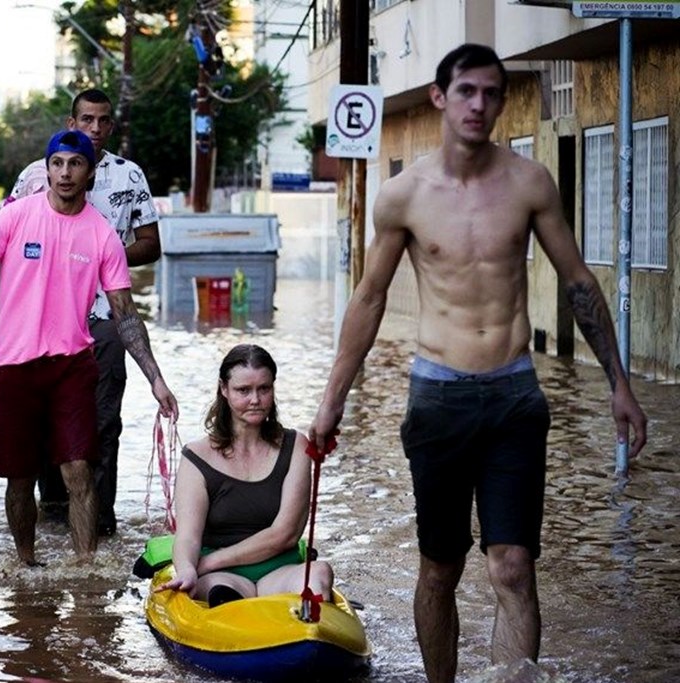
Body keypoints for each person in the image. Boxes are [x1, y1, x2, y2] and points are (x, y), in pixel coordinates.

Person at [306, 44, 648, 682]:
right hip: (438, 398)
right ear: (440, 96)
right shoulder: (403, 195)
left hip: (515, 394)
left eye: (492, 93)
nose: (480, 105)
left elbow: (578, 282)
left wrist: (620, 387)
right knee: (440, 568)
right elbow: (370, 298)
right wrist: (332, 403)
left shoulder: (529, 182)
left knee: (513, 565)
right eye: (466, 91)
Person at [0, 129, 178, 565]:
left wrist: (156, 379)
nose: (65, 172)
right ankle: (26, 564)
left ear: (90, 173)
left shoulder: (103, 236)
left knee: (78, 471)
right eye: (58, 163)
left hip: (72, 366)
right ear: (47, 169)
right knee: (20, 478)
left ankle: (85, 569)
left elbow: (125, 314)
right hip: (13, 366)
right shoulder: (16, 217)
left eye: (75, 164)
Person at [7, 88, 162, 536]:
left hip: (105, 317)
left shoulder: (128, 176)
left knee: (102, 419)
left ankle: (99, 521)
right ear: (71, 123)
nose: (95, 128)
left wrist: (103, 256)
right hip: (41, 324)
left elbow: (151, 242)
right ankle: (54, 506)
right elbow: (7, 239)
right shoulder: (35, 176)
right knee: (41, 421)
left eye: (104, 121)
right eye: (87, 120)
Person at [158, 344, 333, 607]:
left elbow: (285, 534)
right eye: (243, 390)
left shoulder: (296, 445)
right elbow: (188, 536)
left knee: (319, 573)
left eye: (264, 389)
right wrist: (187, 569)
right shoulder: (197, 456)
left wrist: (206, 563)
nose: (255, 400)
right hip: (221, 577)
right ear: (224, 389)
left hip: (279, 570)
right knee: (219, 591)